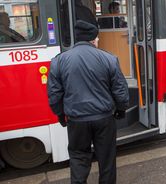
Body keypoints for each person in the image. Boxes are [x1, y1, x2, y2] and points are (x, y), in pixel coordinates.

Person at [47, 20, 129, 184]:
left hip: (76, 121)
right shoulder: (109, 59)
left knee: (78, 158)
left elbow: (54, 94)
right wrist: (121, 109)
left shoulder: (59, 61)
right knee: (107, 159)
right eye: (97, 39)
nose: (98, 41)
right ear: (93, 39)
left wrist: (60, 114)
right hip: (104, 119)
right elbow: (120, 90)